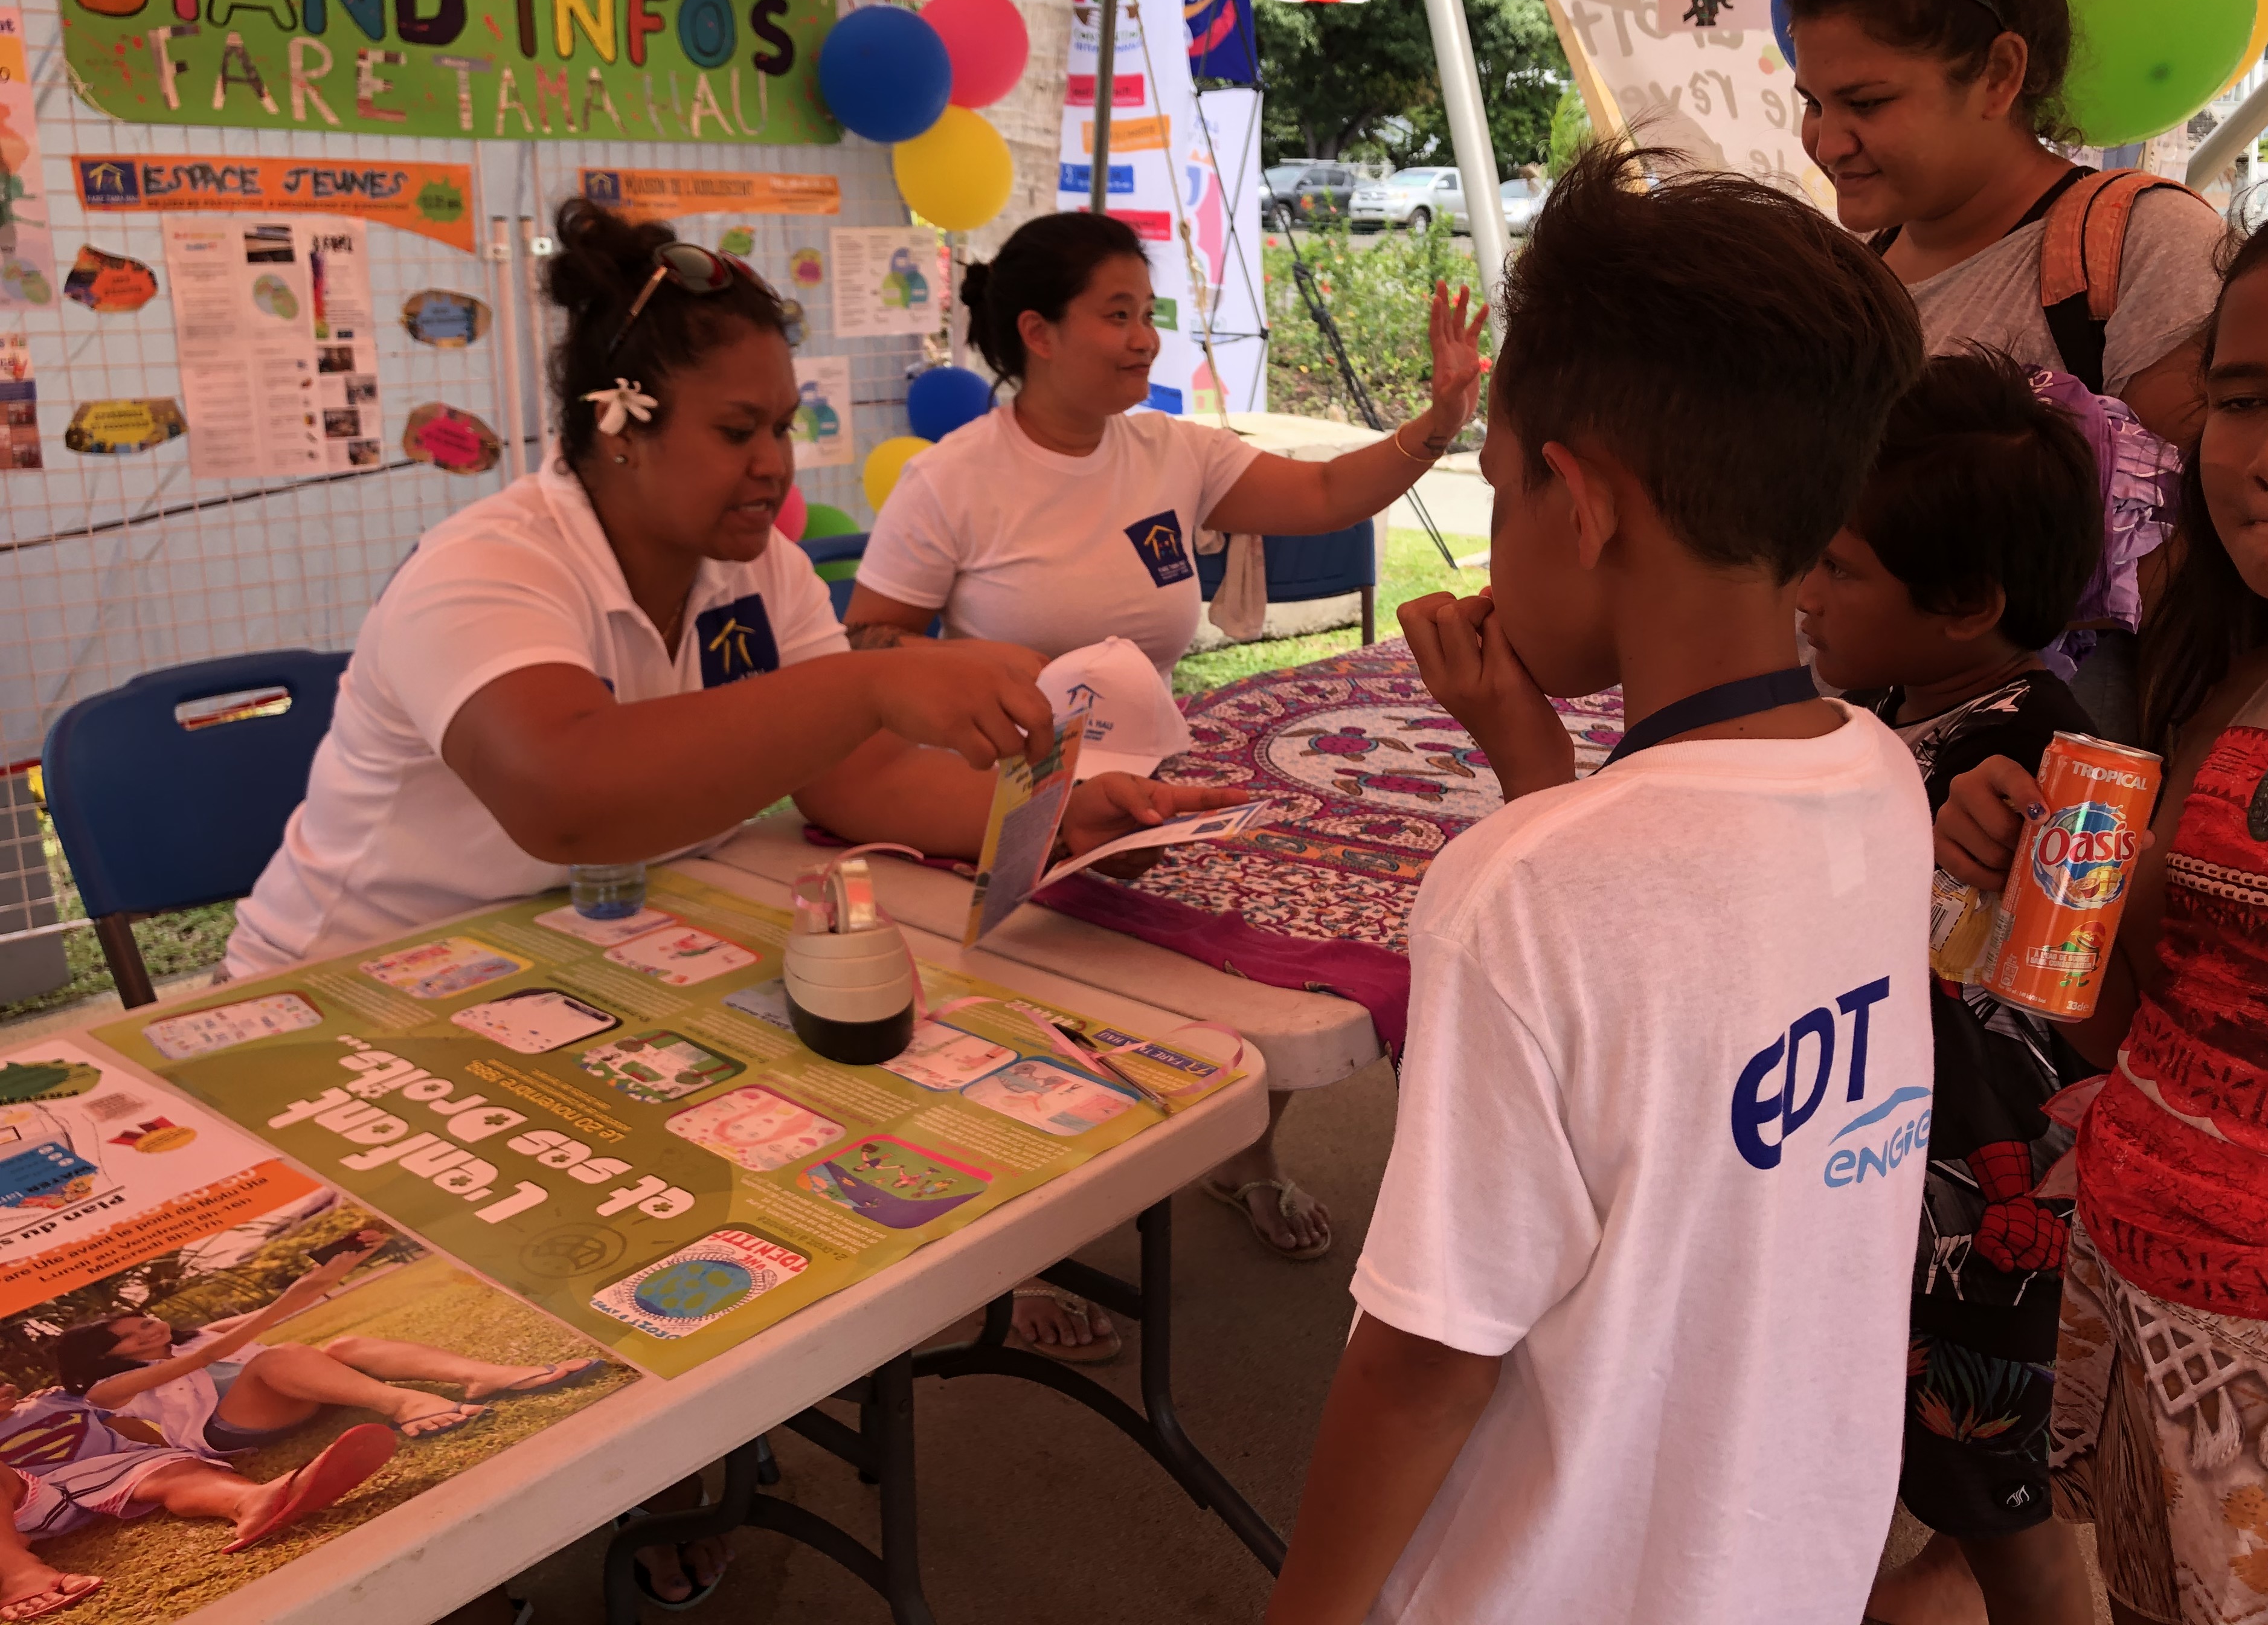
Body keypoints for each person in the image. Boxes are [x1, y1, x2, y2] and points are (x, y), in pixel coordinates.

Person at [221, 198, 1238, 1598]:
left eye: (784, 426)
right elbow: (568, 794)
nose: (775, 468)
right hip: (341, 1013)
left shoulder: (750, 566)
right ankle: (588, 1490)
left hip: (562, 975)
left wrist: (1046, 815)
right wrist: (866, 679)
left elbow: (863, 776)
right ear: (620, 423)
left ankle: (687, 1459)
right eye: (736, 430)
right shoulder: (493, 567)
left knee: (820, 1121)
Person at [1264, 142, 1935, 1624]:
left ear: (1582, 499)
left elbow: (1432, 1357)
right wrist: (1524, 751)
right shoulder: (1882, 781)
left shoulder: (1522, 893)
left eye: (1500, 490)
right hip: (1785, 1558)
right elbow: (1671, 1039)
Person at [1933, 179, 2268, 1625]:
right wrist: (2031, 889)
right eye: (2240, 396)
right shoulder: (2235, 691)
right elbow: (2146, 1040)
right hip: (2158, 1379)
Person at [846, 211, 1489, 1284]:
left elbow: (1326, 492)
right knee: (1040, 1013)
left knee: (1256, 939)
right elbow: (872, 640)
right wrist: (983, 680)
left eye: (1149, 314)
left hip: (1146, 780)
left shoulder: (1171, 450)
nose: (1144, 339)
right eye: (1117, 315)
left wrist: (1436, 421)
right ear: (1037, 332)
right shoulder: (953, 479)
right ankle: (1027, 1253)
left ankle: (1244, 1151)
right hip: (1006, 795)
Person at [1797, 349, 2104, 1625]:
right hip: (1894, 1203)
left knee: (2005, 1520)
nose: (1805, 590)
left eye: (1838, 568)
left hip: (1991, 1245)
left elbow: (2046, 999)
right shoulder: (1890, 694)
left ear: (1968, 601)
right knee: (1939, 1492)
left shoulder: (2033, 772)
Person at [1785, 0, 2223, 741]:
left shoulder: (2133, 243)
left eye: (1866, 103)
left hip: (2044, 772)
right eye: (1812, 102)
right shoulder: (1847, 281)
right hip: (1853, 748)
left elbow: (2199, 573)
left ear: (1998, 76)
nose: (1829, 141)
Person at [54, 1243, 599, 1451]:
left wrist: (346, 1261)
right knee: (275, 1356)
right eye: (136, 1334)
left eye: (147, 1319)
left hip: (293, 1397)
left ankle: (487, 1375)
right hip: (234, 1430)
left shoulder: (200, 1336)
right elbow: (211, 1357)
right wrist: (287, 1302)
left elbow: (293, 1305)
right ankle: (403, 1404)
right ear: (107, 1356)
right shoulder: (108, 1389)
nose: (153, 1329)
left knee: (344, 1342)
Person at [0, 1379, 396, 1615]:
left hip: (108, 1469)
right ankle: (17, 1573)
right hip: (21, 1501)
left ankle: (251, 1502)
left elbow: (130, 1429)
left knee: (169, 1470)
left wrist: (178, 1457)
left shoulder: (55, 1400)